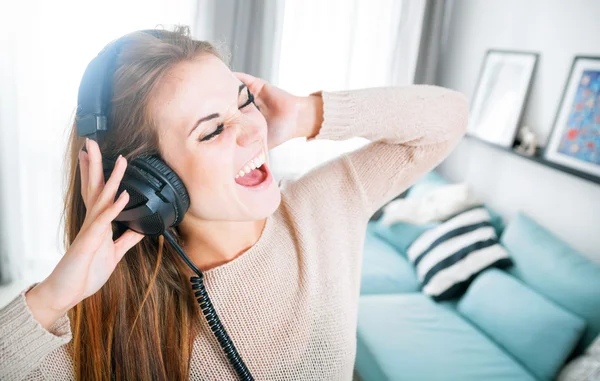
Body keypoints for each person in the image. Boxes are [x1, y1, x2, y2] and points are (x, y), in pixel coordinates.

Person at [0, 26, 468, 381]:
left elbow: (450, 117)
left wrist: (307, 113)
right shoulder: (108, 323)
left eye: (243, 101)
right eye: (212, 129)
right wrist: (53, 298)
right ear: (148, 183)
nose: (253, 130)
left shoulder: (325, 206)